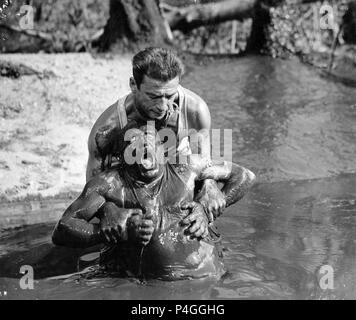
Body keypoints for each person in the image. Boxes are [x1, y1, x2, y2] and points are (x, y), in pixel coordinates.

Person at [52, 123, 256, 279]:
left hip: (206, 277)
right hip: (134, 283)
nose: (142, 147)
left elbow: (245, 176)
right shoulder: (109, 184)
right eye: (133, 145)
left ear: (164, 149)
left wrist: (205, 208)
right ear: (122, 156)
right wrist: (116, 232)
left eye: (150, 140)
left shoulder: (188, 168)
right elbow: (63, 230)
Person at [86, 47, 225, 222]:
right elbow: (92, 189)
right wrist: (109, 211)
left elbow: (206, 161)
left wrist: (210, 187)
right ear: (133, 85)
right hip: (134, 185)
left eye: (169, 95)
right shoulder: (108, 128)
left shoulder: (195, 110)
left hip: (178, 180)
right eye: (154, 96)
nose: (163, 106)